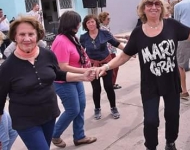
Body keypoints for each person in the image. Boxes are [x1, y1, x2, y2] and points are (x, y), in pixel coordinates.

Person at [95, 0, 190, 150]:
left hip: (170, 82)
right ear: (143, 9)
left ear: (162, 7)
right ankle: (151, 146)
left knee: (172, 116)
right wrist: (106, 66)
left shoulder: (172, 25)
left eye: (157, 4)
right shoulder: (138, 32)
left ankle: (170, 142)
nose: (153, 7)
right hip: (150, 84)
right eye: (149, 4)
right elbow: (124, 56)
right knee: (150, 120)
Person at [0, 16, 96, 150]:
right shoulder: (7, 67)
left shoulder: (47, 54)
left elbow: (58, 74)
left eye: (31, 34)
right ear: (14, 37)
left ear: (37, 36)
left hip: (49, 115)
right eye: (22, 34)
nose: (27, 39)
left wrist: (83, 76)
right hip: (25, 120)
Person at [51, 11, 97, 148]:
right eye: (77, 22)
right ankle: (54, 134)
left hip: (76, 79)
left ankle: (79, 136)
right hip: (63, 82)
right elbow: (62, 67)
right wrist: (85, 71)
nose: (79, 25)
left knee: (81, 107)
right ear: (71, 24)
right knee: (73, 109)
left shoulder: (72, 37)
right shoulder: (61, 41)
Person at [80, 14, 124, 120]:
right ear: (85, 25)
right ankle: (97, 108)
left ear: (96, 22)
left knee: (108, 86)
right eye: (88, 22)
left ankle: (113, 107)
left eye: (92, 21)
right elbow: (81, 52)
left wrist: (128, 51)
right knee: (96, 88)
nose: (91, 24)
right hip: (93, 66)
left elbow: (116, 43)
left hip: (106, 63)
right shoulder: (83, 37)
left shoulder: (104, 33)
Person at [98, 11, 127, 90]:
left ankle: (111, 83)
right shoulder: (103, 29)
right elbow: (112, 39)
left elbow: (112, 36)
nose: (109, 20)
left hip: (111, 49)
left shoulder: (105, 28)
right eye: (108, 19)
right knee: (114, 67)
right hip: (109, 50)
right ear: (103, 19)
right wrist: (123, 41)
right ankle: (112, 84)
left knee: (113, 67)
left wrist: (123, 38)